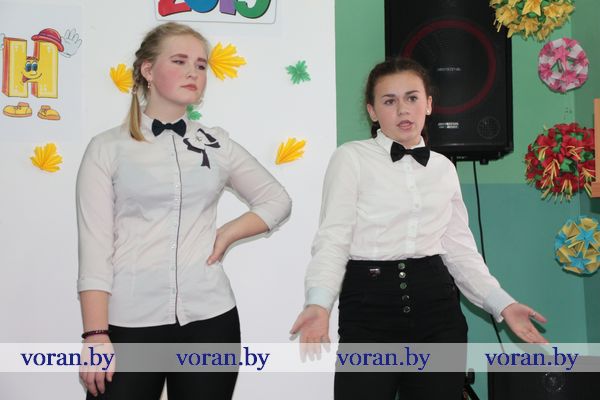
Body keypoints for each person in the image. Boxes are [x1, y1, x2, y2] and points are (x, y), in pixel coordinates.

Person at [290, 57, 547, 399]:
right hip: (369, 309)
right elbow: (333, 239)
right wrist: (319, 303)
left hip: (437, 310)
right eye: (389, 101)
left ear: (428, 103)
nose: (402, 109)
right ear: (372, 111)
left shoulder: (443, 168)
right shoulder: (351, 158)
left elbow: (459, 251)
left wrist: (503, 305)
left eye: (412, 98)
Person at [76, 22, 291, 400]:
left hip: (211, 321)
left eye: (201, 65)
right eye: (179, 61)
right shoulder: (106, 148)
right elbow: (95, 249)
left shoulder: (217, 143)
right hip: (129, 322)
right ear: (147, 70)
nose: (194, 72)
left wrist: (228, 233)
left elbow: (276, 199)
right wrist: (95, 335)